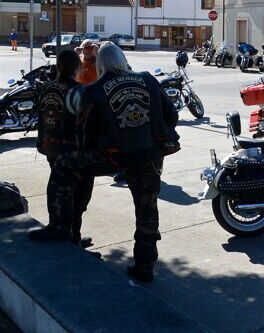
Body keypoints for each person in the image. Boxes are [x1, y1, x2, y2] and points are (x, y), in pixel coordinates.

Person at [30, 44, 179, 282]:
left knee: (64, 166)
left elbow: (85, 133)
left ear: (99, 65)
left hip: (112, 156)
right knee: (147, 210)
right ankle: (145, 264)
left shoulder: (94, 90)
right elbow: (172, 115)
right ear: (123, 60)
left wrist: (92, 153)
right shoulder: (148, 80)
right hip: (148, 154)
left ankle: (60, 226)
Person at [36, 50, 94, 249]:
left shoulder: (48, 88)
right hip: (72, 153)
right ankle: (70, 238)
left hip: (51, 148)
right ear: (78, 67)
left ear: (59, 67)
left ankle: (69, 234)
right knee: (78, 197)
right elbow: (87, 124)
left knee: (59, 191)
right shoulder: (78, 91)